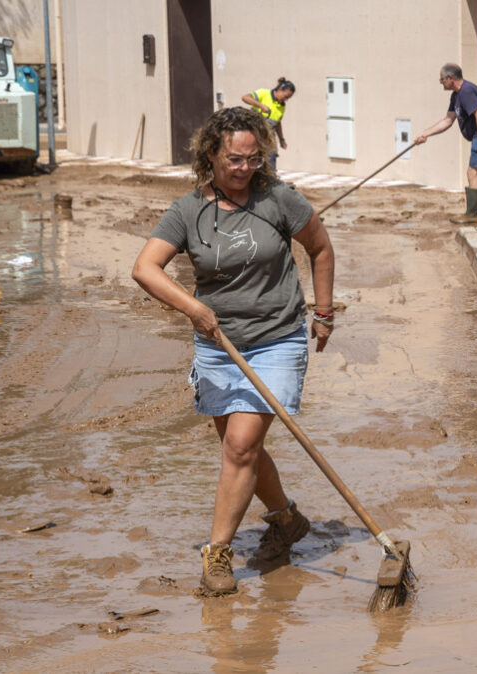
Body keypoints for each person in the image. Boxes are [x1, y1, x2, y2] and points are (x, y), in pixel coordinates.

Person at [131, 107, 335, 595]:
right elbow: (145, 268)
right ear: (210, 156)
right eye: (234, 160)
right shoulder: (187, 212)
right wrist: (193, 309)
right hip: (219, 345)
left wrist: (323, 314)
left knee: (241, 446)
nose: (244, 169)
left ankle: (217, 556)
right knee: (239, 449)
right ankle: (286, 521)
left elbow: (321, 248)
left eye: (252, 159)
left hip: (278, 337)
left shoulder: (279, 199)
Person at [414, 63, 477, 224]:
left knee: (472, 172)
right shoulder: (456, 96)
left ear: (451, 78)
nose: (441, 83)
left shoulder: (466, 91)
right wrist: (425, 134)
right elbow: (448, 120)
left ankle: (471, 214)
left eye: (442, 79)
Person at [242, 77, 296, 169]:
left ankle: (271, 179)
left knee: (271, 156)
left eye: (288, 98)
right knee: (253, 155)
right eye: (286, 96)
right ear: (279, 89)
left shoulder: (282, 107)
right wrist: (260, 105)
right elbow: (245, 97)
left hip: (269, 136)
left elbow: (278, 123)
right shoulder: (264, 93)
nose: (286, 99)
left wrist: (281, 139)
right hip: (254, 132)